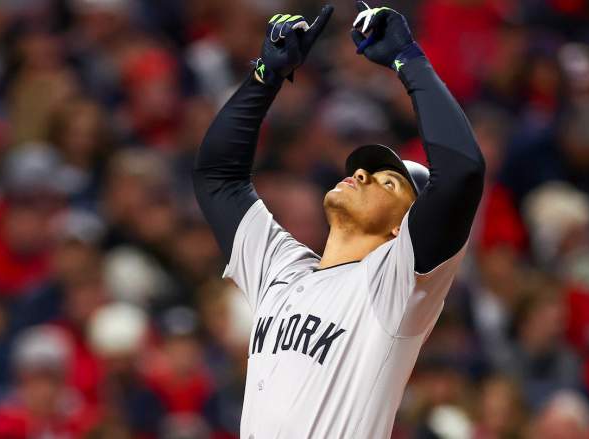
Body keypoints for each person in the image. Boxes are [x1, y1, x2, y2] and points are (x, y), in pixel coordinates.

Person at [192, 3, 485, 438]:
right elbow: (218, 177)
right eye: (365, 170)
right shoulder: (281, 269)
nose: (362, 174)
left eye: (388, 184)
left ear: (400, 229)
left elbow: (460, 171)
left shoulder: (396, 284)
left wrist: (410, 61)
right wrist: (265, 76)